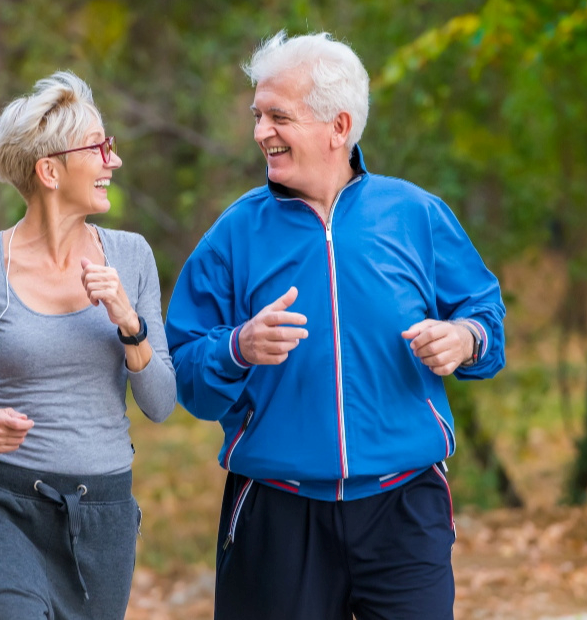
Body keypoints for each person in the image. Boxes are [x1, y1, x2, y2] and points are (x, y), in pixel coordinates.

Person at [165, 32, 506, 620]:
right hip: (276, 512)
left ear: (338, 127)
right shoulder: (234, 234)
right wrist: (237, 348)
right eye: (257, 115)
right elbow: (185, 373)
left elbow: (487, 321)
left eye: (278, 116)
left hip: (404, 508)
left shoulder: (416, 215)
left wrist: (465, 338)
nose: (259, 132)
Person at [0, 70, 176, 619]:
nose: (113, 161)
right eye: (100, 147)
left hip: (104, 518)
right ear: (50, 170)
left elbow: (161, 403)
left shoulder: (132, 258)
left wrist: (128, 320)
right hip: (1, 507)